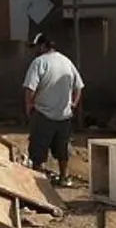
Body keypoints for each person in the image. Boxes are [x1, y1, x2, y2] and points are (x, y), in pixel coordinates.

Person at [23, 32, 84, 187]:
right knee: (62, 148)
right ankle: (64, 177)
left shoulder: (39, 62)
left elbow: (30, 88)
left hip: (43, 113)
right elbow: (79, 86)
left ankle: (38, 180)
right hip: (64, 115)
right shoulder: (66, 61)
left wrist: (29, 106)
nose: (36, 50)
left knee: (38, 148)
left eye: (37, 46)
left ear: (43, 46)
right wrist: (73, 104)